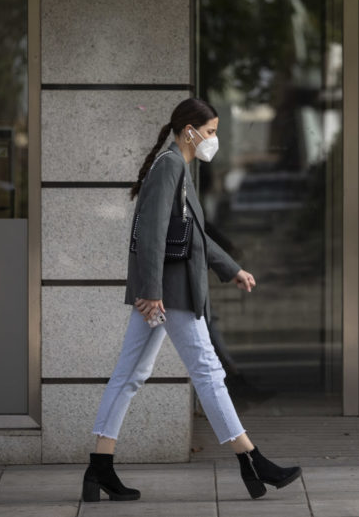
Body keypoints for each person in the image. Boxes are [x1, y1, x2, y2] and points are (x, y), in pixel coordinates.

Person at [82, 97, 302, 502]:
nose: (213, 140)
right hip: (172, 294)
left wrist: (231, 268)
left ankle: (99, 468)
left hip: (165, 293)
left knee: (129, 376)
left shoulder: (176, 167)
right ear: (190, 132)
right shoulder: (170, 166)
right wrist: (150, 291)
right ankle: (252, 461)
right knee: (208, 372)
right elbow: (148, 233)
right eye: (212, 132)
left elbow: (194, 235)